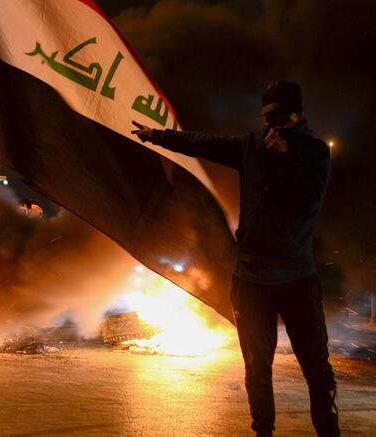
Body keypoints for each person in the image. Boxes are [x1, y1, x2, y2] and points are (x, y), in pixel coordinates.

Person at [132, 81, 338, 437]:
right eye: (267, 119)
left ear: (299, 116)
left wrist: (284, 160)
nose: (272, 127)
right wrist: (157, 135)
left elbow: (305, 201)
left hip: (296, 279)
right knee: (257, 370)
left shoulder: (315, 154)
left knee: (317, 370)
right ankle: (263, 432)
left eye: (280, 119)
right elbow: (204, 144)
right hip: (252, 280)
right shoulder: (251, 147)